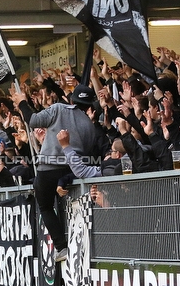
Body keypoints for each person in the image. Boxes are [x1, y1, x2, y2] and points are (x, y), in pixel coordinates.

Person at [10, 84, 107, 262]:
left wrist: (23, 103)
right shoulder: (90, 126)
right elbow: (85, 154)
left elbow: (33, 121)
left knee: (45, 206)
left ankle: (61, 247)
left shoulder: (58, 108)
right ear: (89, 105)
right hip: (73, 171)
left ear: (70, 99)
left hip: (48, 168)